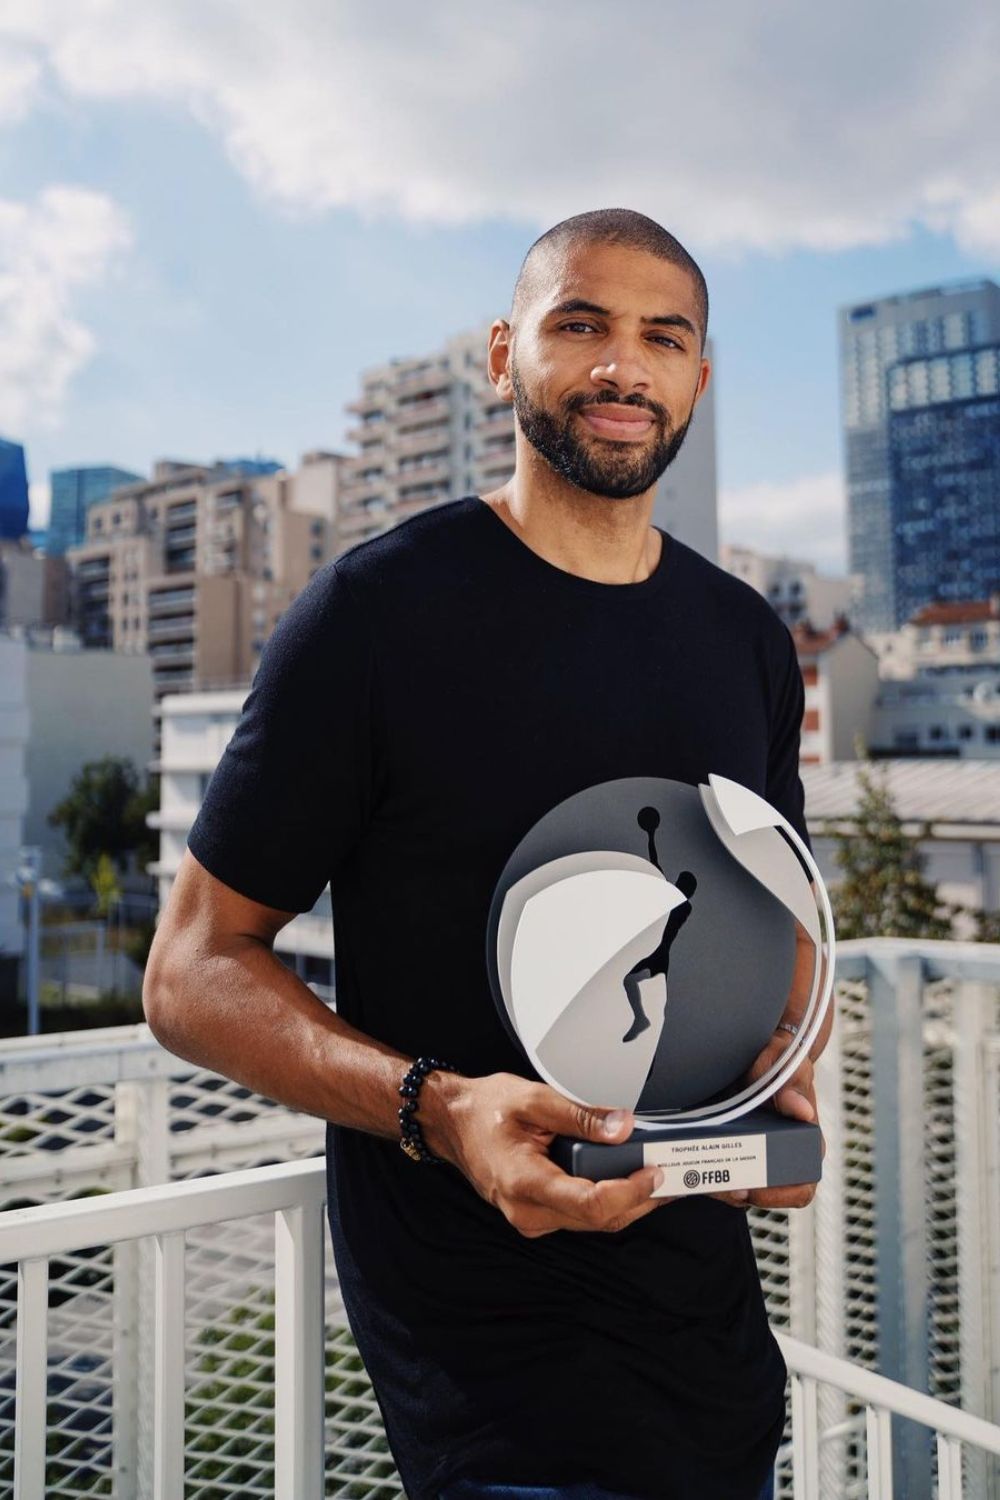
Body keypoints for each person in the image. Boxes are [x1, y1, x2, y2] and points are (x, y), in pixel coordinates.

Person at [144, 207, 830, 1500]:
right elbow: (189, 974)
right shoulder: (374, 615)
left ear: (699, 376)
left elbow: (778, 908)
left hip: (720, 1372)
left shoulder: (745, 637)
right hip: (490, 1390)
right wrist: (441, 1112)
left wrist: (779, 1067)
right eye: (583, 326)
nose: (624, 367)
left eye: (662, 338)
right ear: (504, 356)